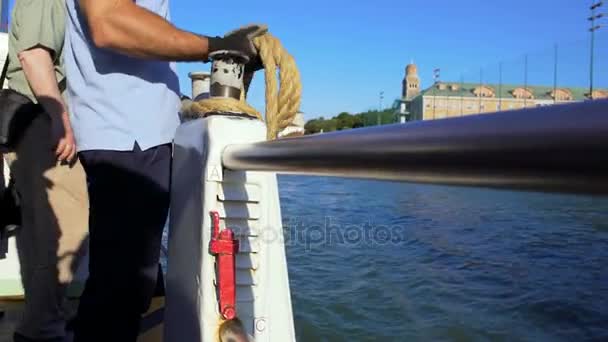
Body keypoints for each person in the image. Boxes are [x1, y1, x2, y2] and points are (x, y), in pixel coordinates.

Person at [64, 1, 266, 340]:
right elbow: (109, 21)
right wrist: (217, 48)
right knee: (118, 291)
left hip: (137, 136)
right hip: (129, 137)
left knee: (127, 285)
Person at [5, 0, 89, 341]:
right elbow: (34, 55)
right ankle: (43, 329)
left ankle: (43, 324)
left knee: (41, 236)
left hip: (38, 123)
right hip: (43, 121)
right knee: (62, 233)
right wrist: (61, 119)